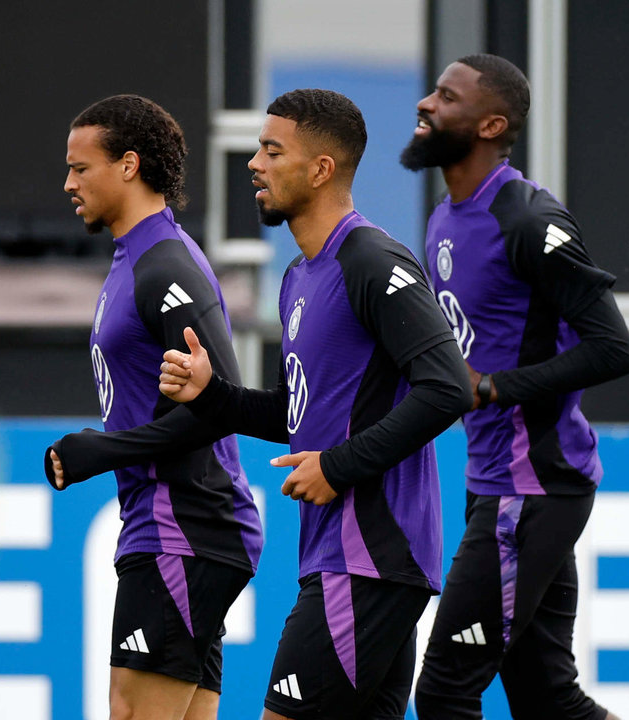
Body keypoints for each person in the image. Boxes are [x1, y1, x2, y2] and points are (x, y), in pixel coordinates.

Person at [158, 88, 471, 720]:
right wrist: (212, 395)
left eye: (273, 151)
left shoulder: (373, 259)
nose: (255, 163)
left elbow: (449, 386)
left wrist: (338, 467)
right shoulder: (300, 276)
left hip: (372, 557)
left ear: (321, 169)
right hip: (341, 557)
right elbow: (294, 414)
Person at [401, 54, 629, 720]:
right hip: (499, 484)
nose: (425, 104)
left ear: (489, 123)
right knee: (547, 699)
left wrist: (496, 387)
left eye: (446, 97)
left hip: (532, 486)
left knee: (445, 690)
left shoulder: (529, 219)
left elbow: (613, 349)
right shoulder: (446, 217)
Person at [46, 94, 263, 720]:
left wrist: (99, 450)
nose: (67, 183)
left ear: (129, 166)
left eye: (80, 168)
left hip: (184, 529)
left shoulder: (166, 263)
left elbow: (217, 405)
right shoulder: (135, 258)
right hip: (180, 529)